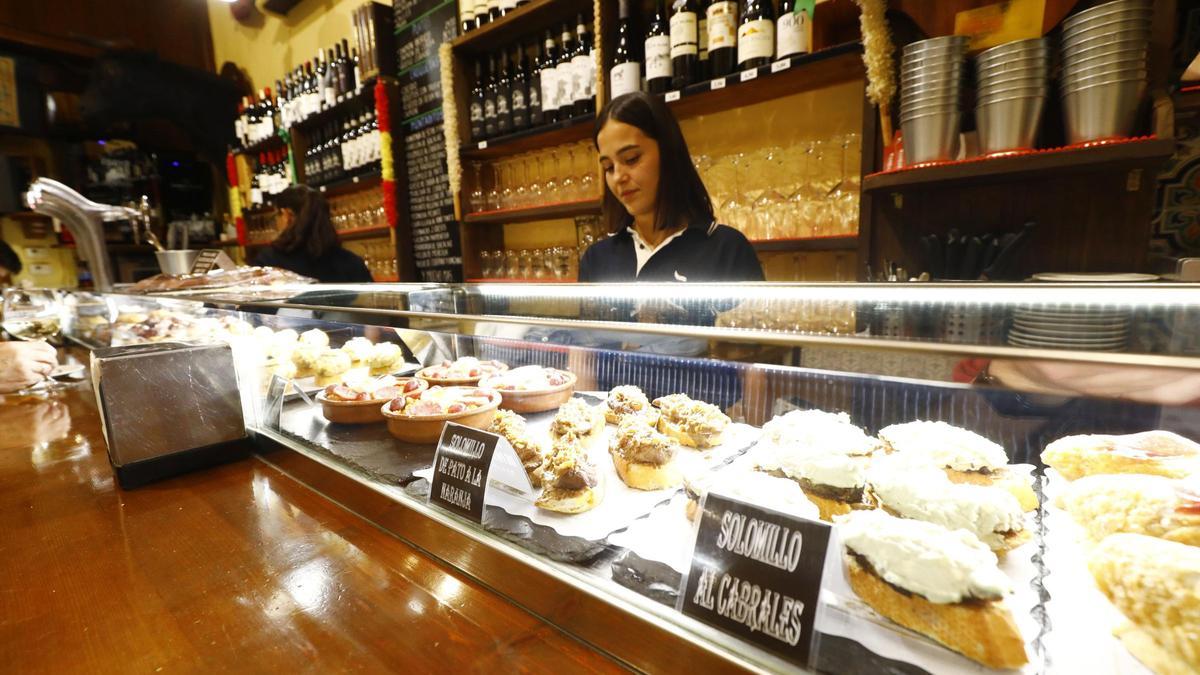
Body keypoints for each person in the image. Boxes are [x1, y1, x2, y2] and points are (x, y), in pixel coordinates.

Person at [580, 91, 763, 283]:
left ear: (668, 151)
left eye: (631, 159)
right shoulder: (597, 260)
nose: (618, 177)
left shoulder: (727, 250)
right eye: (608, 167)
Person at [253, 185, 373, 283]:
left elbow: (255, 302)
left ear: (287, 215)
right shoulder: (351, 262)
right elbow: (371, 301)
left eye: (276, 215)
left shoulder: (269, 262)